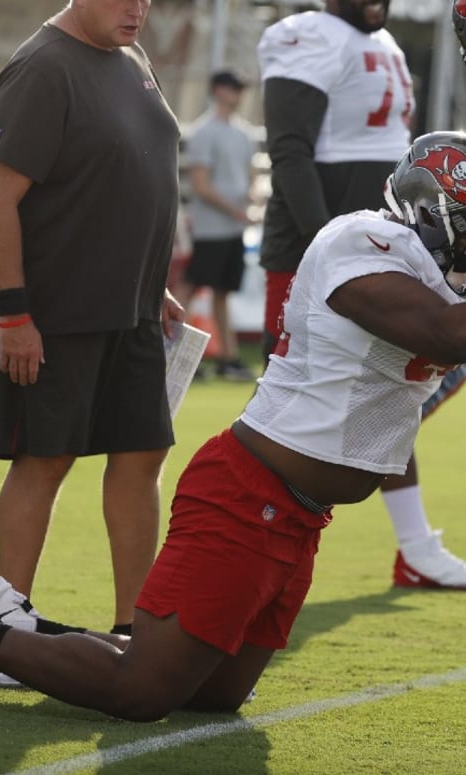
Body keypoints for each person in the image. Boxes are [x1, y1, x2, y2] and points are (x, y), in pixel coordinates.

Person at [0, 130, 466, 718]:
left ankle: (13, 626)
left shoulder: (428, 271)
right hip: (248, 494)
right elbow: (444, 334)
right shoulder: (363, 241)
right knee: (142, 690)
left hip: (300, 514)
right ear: (431, 211)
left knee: (214, 692)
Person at [0, 0, 183, 637]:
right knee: (45, 458)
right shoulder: (42, 67)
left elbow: (125, 173)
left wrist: (155, 285)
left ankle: (133, 631)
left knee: (143, 452)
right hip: (58, 311)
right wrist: (14, 316)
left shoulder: (129, 53)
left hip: (134, 307)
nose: (138, 9)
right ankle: (4, 625)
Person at [257, 0, 466, 588]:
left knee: (396, 386)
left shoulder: (386, 40)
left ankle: (414, 546)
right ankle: (259, 524)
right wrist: (325, 243)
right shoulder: (306, 33)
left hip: (411, 239)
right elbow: (290, 148)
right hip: (345, 246)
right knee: (309, 394)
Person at [174, 70, 257, 381]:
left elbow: (249, 176)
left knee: (223, 292)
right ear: (218, 90)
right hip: (209, 228)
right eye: (233, 87)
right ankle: (176, 353)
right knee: (189, 288)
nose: (238, 94)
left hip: (233, 228)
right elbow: (200, 185)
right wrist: (236, 210)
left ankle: (228, 357)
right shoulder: (205, 131)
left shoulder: (244, 133)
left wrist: (248, 202)